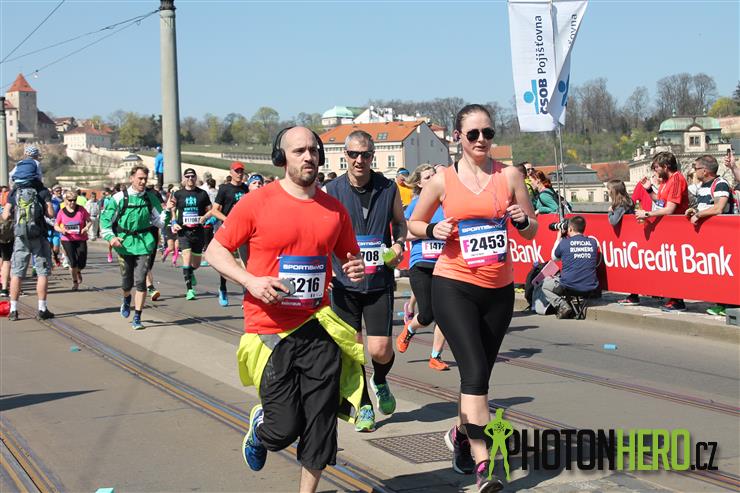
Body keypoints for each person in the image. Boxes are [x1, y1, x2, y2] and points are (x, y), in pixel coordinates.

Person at [204, 126, 365, 493]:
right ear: (281, 158)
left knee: (322, 423)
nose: (308, 157)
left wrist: (354, 268)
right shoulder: (256, 203)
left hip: (319, 324)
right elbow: (215, 249)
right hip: (270, 328)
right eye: (298, 151)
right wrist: (250, 281)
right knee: (283, 429)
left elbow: (348, 257)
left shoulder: (333, 209)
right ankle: (262, 429)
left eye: (313, 150)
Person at [408, 104, 537, 492]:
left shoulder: (509, 176)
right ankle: (485, 466)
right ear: (458, 138)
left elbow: (531, 229)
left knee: (476, 378)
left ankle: (460, 434)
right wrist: (433, 229)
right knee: (476, 373)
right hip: (454, 285)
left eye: (488, 133)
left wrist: (522, 221)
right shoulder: (443, 181)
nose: (482, 140)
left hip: (499, 290)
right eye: (474, 134)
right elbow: (413, 224)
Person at [325, 129, 407, 433]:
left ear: (373, 156)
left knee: (380, 350)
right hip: (344, 283)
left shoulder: (388, 188)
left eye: (365, 154)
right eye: (353, 154)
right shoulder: (331, 190)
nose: (359, 160)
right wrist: (327, 270)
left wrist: (398, 245)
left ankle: (380, 380)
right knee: (352, 349)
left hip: (378, 282)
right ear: (345, 155)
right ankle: (364, 406)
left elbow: (400, 224)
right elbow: (319, 232)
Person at [395, 164, 450, 371]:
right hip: (421, 264)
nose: (432, 179)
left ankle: (436, 356)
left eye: (434, 176)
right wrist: (430, 231)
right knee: (427, 314)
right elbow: (405, 234)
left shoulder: (446, 203)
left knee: (444, 313)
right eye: (427, 177)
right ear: (419, 183)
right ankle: (410, 329)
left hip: (444, 264)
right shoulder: (416, 204)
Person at [100, 165, 164, 330]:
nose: (143, 182)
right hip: (124, 245)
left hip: (144, 243)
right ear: (132, 178)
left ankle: (137, 317)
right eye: (140, 178)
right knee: (127, 283)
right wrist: (111, 238)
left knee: (141, 281)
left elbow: (160, 222)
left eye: (145, 179)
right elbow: (105, 222)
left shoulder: (150, 198)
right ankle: (126, 298)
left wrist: (169, 211)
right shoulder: (119, 198)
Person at [635, 151, 689, 312]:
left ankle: (678, 301)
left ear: (666, 167)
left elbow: (670, 209)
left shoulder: (677, 179)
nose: (655, 171)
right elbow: (660, 202)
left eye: (657, 167)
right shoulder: (666, 181)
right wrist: (649, 190)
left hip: (677, 230)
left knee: (676, 266)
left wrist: (647, 214)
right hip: (668, 230)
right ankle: (673, 297)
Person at [685, 155, 734, 317]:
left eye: (696, 168)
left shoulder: (720, 183)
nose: (694, 171)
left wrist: (698, 215)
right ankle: (721, 303)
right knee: (716, 271)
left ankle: (729, 304)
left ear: (705, 171)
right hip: (710, 237)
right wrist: (695, 211)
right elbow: (706, 207)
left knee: (726, 270)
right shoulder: (702, 187)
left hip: (724, 236)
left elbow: (718, 208)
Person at [2, 175, 56, 321]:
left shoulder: (15, 191)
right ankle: (42, 309)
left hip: (21, 238)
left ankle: (13, 310)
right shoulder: (42, 191)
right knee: (42, 273)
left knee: (17, 273)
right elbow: (51, 214)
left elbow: (5, 215)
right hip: (39, 237)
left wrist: (17, 218)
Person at [540, 216, 600, 319]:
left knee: (545, 285)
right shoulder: (593, 242)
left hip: (569, 286)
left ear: (570, 229)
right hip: (590, 286)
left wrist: (558, 238)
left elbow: (554, 258)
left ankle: (562, 305)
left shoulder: (564, 243)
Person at [168, 168, 212, 300]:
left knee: (196, 264)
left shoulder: (202, 193)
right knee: (186, 258)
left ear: (195, 177)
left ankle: (190, 272)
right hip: (183, 231)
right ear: (184, 178)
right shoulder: (178, 194)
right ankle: (190, 290)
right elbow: (172, 210)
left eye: (192, 176)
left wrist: (205, 217)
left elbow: (210, 210)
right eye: (187, 176)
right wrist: (174, 222)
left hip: (198, 231)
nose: (190, 178)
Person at [210, 161, 250, 306]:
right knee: (226, 262)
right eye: (237, 171)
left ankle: (246, 295)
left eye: (241, 171)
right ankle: (222, 288)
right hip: (228, 230)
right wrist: (228, 220)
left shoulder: (246, 188)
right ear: (231, 172)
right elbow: (214, 210)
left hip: (244, 230)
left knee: (246, 263)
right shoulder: (224, 189)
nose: (239, 174)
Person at [54, 190, 90, 291]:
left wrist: (86, 228)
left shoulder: (81, 209)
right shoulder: (62, 212)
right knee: (73, 261)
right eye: (70, 200)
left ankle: (78, 270)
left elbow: (90, 221)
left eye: (74, 200)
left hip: (80, 238)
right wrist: (62, 230)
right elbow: (56, 225)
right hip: (67, 239)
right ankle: (75, 282)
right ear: (66, 200)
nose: (72, 202)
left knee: (82, 263)